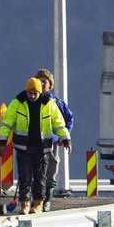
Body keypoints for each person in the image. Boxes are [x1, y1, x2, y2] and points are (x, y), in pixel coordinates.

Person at [0, 77, 70, 214]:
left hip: (42, 148)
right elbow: (7, 123)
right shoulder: (17, 103)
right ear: (26, 91)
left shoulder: (49, 104)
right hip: (23, 147)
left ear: (40, 93)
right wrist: (2, 142)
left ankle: (37, 204)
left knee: (40, 178)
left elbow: (58, 123)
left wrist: (65, 138)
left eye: (35, 93)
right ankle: (24, 204)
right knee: (24, 176)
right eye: (29, 93)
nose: (32, 96)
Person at [35, 68, 74, 209]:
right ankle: (36, 200)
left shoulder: (57, 103)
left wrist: (62, 137)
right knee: (36, 172)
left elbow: (68, 119)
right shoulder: (31, 102)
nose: (41, 83)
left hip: (52, 144)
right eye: (39, 81)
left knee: (51, 172)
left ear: (50, 84)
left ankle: (47, 201)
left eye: (44, 81)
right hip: (35, 143)